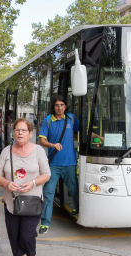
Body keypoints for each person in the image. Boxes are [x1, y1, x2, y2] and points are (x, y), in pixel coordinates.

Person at [0, 118, 50, 256]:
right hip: (11, 202)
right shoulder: (6, 151)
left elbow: (47, 174)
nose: (20, 133)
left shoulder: (38, 150)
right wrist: (6, 183)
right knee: (14, 234)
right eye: (17, 130)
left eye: (24, 130)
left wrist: (33, 183)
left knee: (27, 234)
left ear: (30, 133)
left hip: (32, 202)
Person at [38, 95, 80, 234]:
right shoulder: (48, 120)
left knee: (74, 189)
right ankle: (45, 223)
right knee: (48, 192)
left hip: (70, 163)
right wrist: (52, 145)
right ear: (53, 107)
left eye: (62, 105)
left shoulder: (71, 119)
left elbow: (83, 131)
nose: (59, 108)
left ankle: (77, 209)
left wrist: (100, 137)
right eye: (57, 105)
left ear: (65, 106)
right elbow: (41, 140)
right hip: (53, 164)